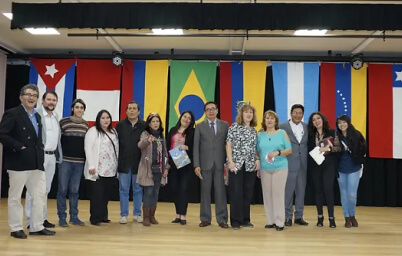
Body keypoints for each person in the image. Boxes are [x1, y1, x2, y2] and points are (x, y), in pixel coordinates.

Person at [0, 84, 56, 239]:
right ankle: (16, 228)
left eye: (34, 95)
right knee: (15, 197)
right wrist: (19, 146)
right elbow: (2, 134)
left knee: (39, 195)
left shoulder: (37, 116)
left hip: (37, 163)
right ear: (21, 97)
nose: (31, 97)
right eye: (28, 94)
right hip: (18, 162)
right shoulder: (12, 114)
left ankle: (37, 226)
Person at [25, 91, 62, 229]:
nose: (51, 102)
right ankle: (30, 221)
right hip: (39, 156)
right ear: (43, 100)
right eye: (49, 99)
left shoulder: (56, 117)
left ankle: (42, 218)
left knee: (45, 190)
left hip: (52, 157)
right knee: (33, 190)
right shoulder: (36, 115)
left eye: (54, 100)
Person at [193, 101, 229, 229]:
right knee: (205, 192)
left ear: (217, 110)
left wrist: (228, 161)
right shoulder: (199, 126)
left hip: (220, 164)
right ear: (205, 112)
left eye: (213, 109)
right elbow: (196, 147)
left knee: (220, 193)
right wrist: (196, 164)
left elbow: (228, 145)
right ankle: (205, 218)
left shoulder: (225, 125)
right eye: (208, 109)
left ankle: (222, 219)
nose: (211, 111)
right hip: (204, 164)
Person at [257, 110, 292, 231]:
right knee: (267, 195)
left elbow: (289, 150)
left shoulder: (282, 133)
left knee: (278, 194)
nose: (269, 120)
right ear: (264, 120)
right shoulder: (260, 134)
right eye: (267, 118)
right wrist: (257, 160)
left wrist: (278, 152)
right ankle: (270, 221)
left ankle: (279, 222)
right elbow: (257, 151)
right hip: (265, 168)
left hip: (280, 167)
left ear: (276, 121)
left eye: (272, 118)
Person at [226, 103, 258, 230]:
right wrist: (230, 161)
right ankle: (235, 220)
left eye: (251, 112)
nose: (249, 114)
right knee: (236, 192)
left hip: (250, 165)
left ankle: (246, 219)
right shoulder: (234, 127)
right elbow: (228, 144)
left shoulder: (254, 130)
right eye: (246, 112)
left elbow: (255, 148)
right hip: (236, 164)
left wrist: (257, 159)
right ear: (242, 114)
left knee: (247, 192)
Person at [57, 98, 89, 227]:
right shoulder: (63, 122)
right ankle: (62, 217)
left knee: (75, 190)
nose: (79, 110)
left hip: (79, 162)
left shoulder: (85, 125)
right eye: (77, 107)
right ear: (72, 109)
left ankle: (74, 216)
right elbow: (57, 140)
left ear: (84, 110)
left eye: (81, 108)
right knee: (62, 190)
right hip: (65, 161)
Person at [84, 110, 119, 226]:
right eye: (103, 118)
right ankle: (95, 218)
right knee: (97, 194)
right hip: (98, 169)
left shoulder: (113, 131)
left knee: (106, 194)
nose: (106, 120)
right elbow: (88, 149)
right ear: (98, 119)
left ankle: (103, 216)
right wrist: (91, 165)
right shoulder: (93, 131)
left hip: (111, 169)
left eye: (108, 117)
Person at [307, 112, 341, 228]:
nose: (316, 121)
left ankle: (332, 219)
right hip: (315, 165)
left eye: (318, 118)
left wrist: (327, 148)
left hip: (329, 165)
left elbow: (338, 147)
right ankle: (320, 218)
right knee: (318, 190)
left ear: (323, 119)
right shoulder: (311, 135)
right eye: (313, 120)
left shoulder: (331, 132)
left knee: (328, 190)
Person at [116, 101, 147, 224]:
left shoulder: (144, 125)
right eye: (129, 108)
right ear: (126, 111)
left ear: (139, 111)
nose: (132, 111)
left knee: (138, 189)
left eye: (134, 108)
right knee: (123, 189)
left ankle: (137, 214)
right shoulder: (120, 125)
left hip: (139, 163)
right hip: (124, 163)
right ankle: (124, 214)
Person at [137, 113, 169, 226]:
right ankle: (145, 217)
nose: (156, 123)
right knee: (148, 193)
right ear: (149, 124)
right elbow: (140, 145)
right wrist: (148, 140)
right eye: (153, 121)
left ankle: (152, 216)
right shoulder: (145, 134)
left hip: (159, 169)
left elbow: (165, 153)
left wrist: (166, 168)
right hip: (148, 169)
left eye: (157, 121)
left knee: (155, 193)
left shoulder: (161, 136)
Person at [279, 104, 309, 226]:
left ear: (303, 115)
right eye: (295, 112)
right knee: (288, 192)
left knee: (301, 191)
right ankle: (287, 217)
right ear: (291, 113)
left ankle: (299, 216)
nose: (297, 115)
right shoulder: (282, 127)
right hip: (288, 163)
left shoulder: (307, 127)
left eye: (300, 113)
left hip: (303, 164)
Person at [336, 114, 366, 228]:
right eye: (339, 123)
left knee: (352, 194)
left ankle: (353, 215)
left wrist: (359, 159)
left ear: (348, 123)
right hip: (341, 169)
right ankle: (347, 217)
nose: (342, 125)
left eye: (344, 122)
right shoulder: (336, 136)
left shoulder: (356, 134)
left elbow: (363, 148)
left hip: (354, 168)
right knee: (343, 194)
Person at [166, 111, 195, 225]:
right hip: (173, 163)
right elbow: (167, 145)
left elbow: (196, 147)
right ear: (181, 117)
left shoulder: (192, 132)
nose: (186, 119)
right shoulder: (173, 130)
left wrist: (186, 147)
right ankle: (177, 214)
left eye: (189, 118)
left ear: (191, 121)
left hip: (185, 164)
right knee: (174, 188)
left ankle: (183, 215)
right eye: (185, 117)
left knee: (183, 188)